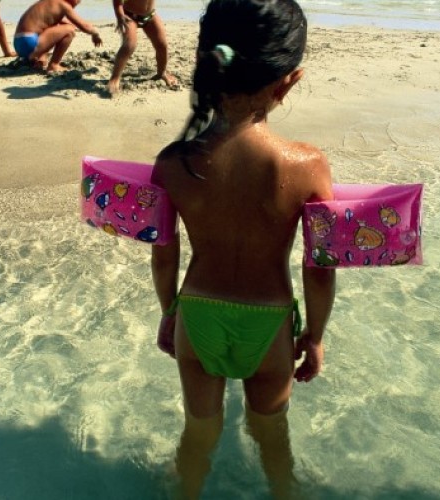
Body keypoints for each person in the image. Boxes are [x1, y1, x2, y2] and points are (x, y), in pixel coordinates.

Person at [150, 0, 336, 498]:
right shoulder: (307, 165)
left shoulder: (173, 162)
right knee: (273, 440)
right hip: (268, 322)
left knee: (198, 434)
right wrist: (315, 336)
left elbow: (163, 253)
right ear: (288, 82)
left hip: (198, 315)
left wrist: (170, 312)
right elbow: (318, 268)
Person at [107, 0, 177, 95]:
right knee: (129, 45)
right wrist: (119, 16)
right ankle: (115, 78)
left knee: (162, 45)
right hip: (129, 16)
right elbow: (117, 1)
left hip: (149, 15)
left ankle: (162, 73)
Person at [12, 0, 103, 73]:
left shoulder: (48, 3)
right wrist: (95, 34)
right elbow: (83, 26)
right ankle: (54, 65)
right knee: (69, 31)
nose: (78, 3)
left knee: (54, 26)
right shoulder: (63, 5)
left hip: (19, 44)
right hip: (30, 43)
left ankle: (37, 59)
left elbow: (63, 23)